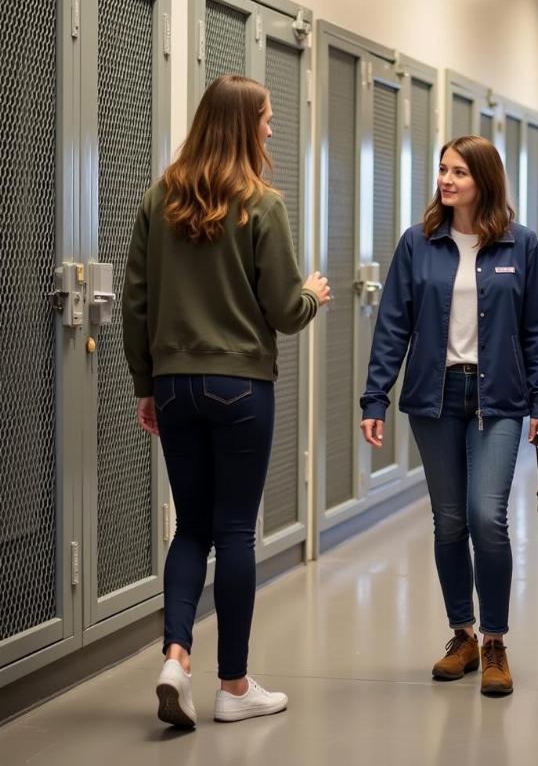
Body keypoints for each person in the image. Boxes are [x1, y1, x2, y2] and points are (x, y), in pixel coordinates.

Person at [122, 74, 330, 727]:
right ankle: (234, 687)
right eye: (266, 118)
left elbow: (136, 302)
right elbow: (283, 308)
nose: (271, 128)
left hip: (176, 384)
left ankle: (176, 657)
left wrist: (145, 384)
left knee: (191, 526)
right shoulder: (262, 204)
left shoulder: (160, 197)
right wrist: (313, 296)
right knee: (236, 529)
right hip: (241, 385)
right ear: (245, 125)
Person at [359, 135, 538, 696]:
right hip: (435, 397)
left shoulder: (520, 246)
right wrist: (375, 397)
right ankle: (462, 636)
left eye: (458, 173)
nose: (446, 180)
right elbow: (393, 325)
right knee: (449, 521)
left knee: (486, 517)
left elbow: (537, 330)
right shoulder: (418, 244)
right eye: (442, 170)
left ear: (484, 181)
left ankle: (496, 641)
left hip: (500, 400)